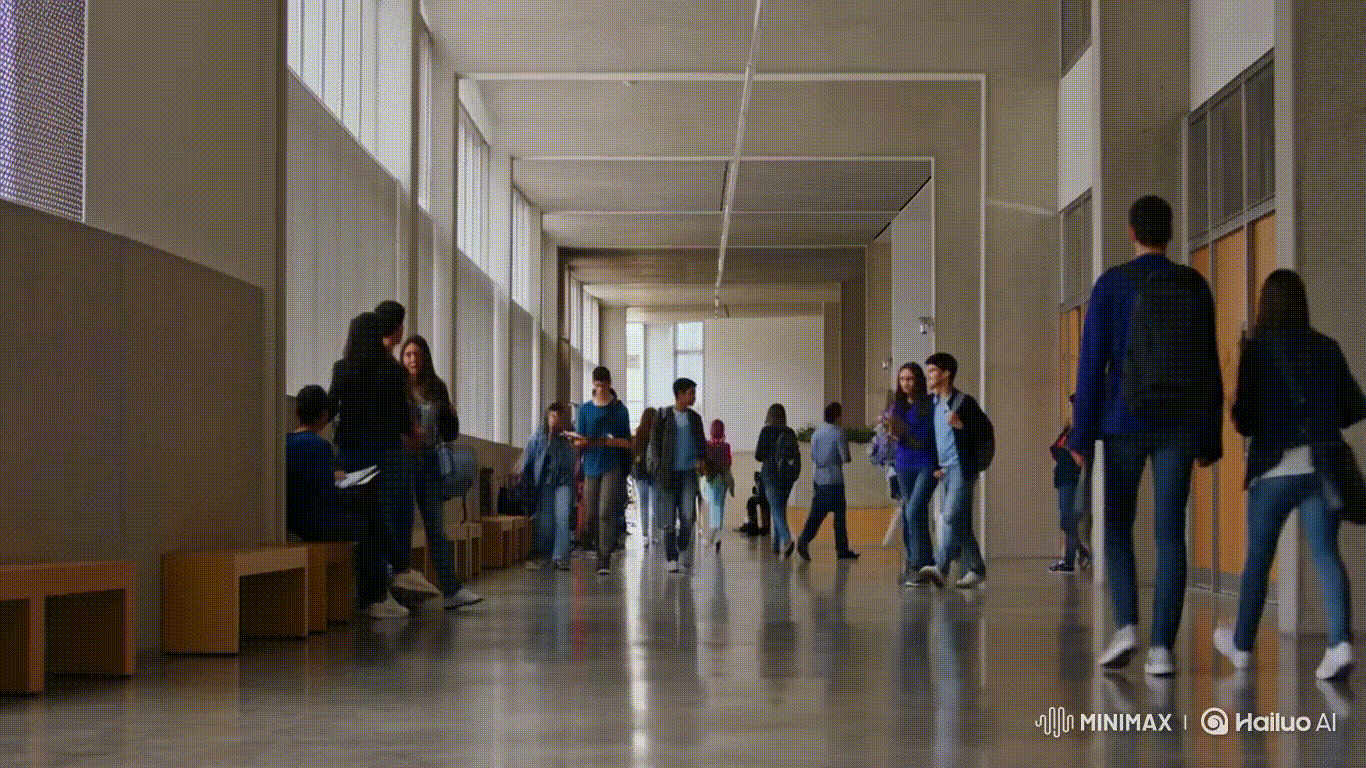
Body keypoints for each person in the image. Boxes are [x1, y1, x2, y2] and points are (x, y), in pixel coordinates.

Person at [1069, 195, 1223, 677]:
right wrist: (1210, 435)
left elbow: (1092, 364)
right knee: (1171, 532)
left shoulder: (1111, 285)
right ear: (1169, 232)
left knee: (1116, 526)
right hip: (1178, 426)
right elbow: (1208, 367)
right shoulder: (1194, 284)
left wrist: (1080, 436)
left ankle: (1126, 627)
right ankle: (1162, 649)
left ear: (1131, 231)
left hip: (1122, 423)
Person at [1213, 269, 1364, 680]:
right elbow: (1355, 407)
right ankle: (1339, 644)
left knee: (1259, 559)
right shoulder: (1327, 348)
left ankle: (1242, 645)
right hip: (1319, 468)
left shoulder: (1256, 350)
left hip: (1274, 470)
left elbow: (1245, 422)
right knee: (1326, 555)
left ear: (1265, 304)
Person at [328, 312, 441, 604]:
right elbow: (403, 418)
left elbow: (330, 410)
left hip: (351, 453)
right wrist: (413, 433)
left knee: (364, 522)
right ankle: (397, 573)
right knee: (393, 516)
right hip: (386, 454)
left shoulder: (341, 369)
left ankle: (373, 593)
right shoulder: (392, 370)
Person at [286, 385, 406, 618]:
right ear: (325, 415)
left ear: (297, 413)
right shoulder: (321, 447)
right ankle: (377, 593)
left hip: (293, 520)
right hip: (317, 523)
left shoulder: (286, 443)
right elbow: (327, 496)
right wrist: (349, 487)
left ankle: (391, 578)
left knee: (367, 516)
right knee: (368, 524)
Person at [400, 335, 481, 609]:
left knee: (436, 526)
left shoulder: (437, 388)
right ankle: (402, 592)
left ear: (425, 358)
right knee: (403, 525)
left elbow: (450, 432)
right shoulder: (396, 386)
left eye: (417, 354)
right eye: (408, 354)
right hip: (402, 462)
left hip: (430, 462)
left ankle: (451, 589)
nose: (413, 359)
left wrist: (451, 416)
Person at [924, 352, 991, 589]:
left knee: (950, 516)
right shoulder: (932, 404)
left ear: (946, 374)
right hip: (943, 471)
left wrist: (962, 426)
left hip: (962, 469)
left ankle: (941, 567)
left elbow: (985, 434)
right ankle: (976, 569)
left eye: (932, 370)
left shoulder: (964, 402)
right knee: (958, 520)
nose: (929, 375)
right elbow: (931, 440)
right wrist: (934, 466)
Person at [649, 378, 714, 572]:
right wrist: (657, 466)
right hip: (667, 474)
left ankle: (683, 545)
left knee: (688, 517)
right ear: (679, 394)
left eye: (694, 393)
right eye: (690, 393)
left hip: (687, 474)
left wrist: (703, 462)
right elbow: (655, 445)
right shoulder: (663, 416)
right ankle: (671, 557)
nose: (693, 396)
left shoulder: (695, 418)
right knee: (669, 519)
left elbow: (701, 443)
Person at [572, 366, 632, 574]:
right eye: (596, 385)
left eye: (603, 385)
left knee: (606, 510)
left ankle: (604, 557)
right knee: (591, 515)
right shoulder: (585, 410)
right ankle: (597, 545)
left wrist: (611, 442)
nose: (600, 389)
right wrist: (580, 441)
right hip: (590, 465)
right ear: (593, 385)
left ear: (609, 384)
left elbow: (627, 441)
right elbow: (579, 439)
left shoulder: (619, 410)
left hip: (611, 465)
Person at [885, 364, 939, 585]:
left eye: (910, 379)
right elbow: (896, 438)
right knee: (910, 511)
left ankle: (919, 562)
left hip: (926, 462)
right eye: (902, 379)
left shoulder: (928, 405)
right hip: (904, 464)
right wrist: (892, 433)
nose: (905, 383)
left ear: (918, 380)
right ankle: (919, 561)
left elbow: (927, 436)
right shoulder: (896, 406)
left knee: (916, 508)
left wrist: (904, 432)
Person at [519, 402, 578, 571]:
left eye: (559, 418)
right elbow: (529, 465)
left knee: (562, 516)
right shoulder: (536, 439)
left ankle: (560, 556)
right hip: (544, 483)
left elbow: (571, 462)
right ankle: (544, 554)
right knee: (545, 521)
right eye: (552, 416)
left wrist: (567, 442)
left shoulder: (568, 439)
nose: (555, 421)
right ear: (547, 417)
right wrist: (549, 440)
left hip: (563, 482)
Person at [797, 402, 858, 561]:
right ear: (838, 416)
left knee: (817, 512)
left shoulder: (816, 433)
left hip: (819, 478)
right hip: (835, 480)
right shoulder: (839, 433)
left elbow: (812, 456)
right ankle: (809, 540)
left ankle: (808, 540)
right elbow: (846, 457)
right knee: (838, 517)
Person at [1049, 396, 1088, 573]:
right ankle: (1080, 553)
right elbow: (1055, 449)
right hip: (1063, 478)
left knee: (1068, 521)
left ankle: (1071, 561)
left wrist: (1069, 451)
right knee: (1066, 521)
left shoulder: (1081, 430)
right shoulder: (1069, 429)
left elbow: (1080, 459)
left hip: (1072, 479)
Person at [755, 403, 799, 558]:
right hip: (787, 475)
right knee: (779, 508)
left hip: (771, 474)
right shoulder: (790, 431)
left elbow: (758, 455)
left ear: (770, 415)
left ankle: (787, 540)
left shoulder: (766, 431)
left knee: (776, 508)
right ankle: (776, 546)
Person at [703, 419, 734, 550]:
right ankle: (718, 537)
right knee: (720, 507)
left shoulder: (707, 445)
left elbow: (704, 463)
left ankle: (713, 536)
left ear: (711, 431)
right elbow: (729, 463)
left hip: (712, 480)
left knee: (714, 507)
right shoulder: (726, 446)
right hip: (724, 481)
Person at [631, 407, 659, 548]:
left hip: (640, 474)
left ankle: (645, 535)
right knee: (655, 505)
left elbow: (633, 455)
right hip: (654, 474)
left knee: (643, 505)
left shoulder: (638, 435)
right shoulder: (658, 436)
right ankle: (654, 534)